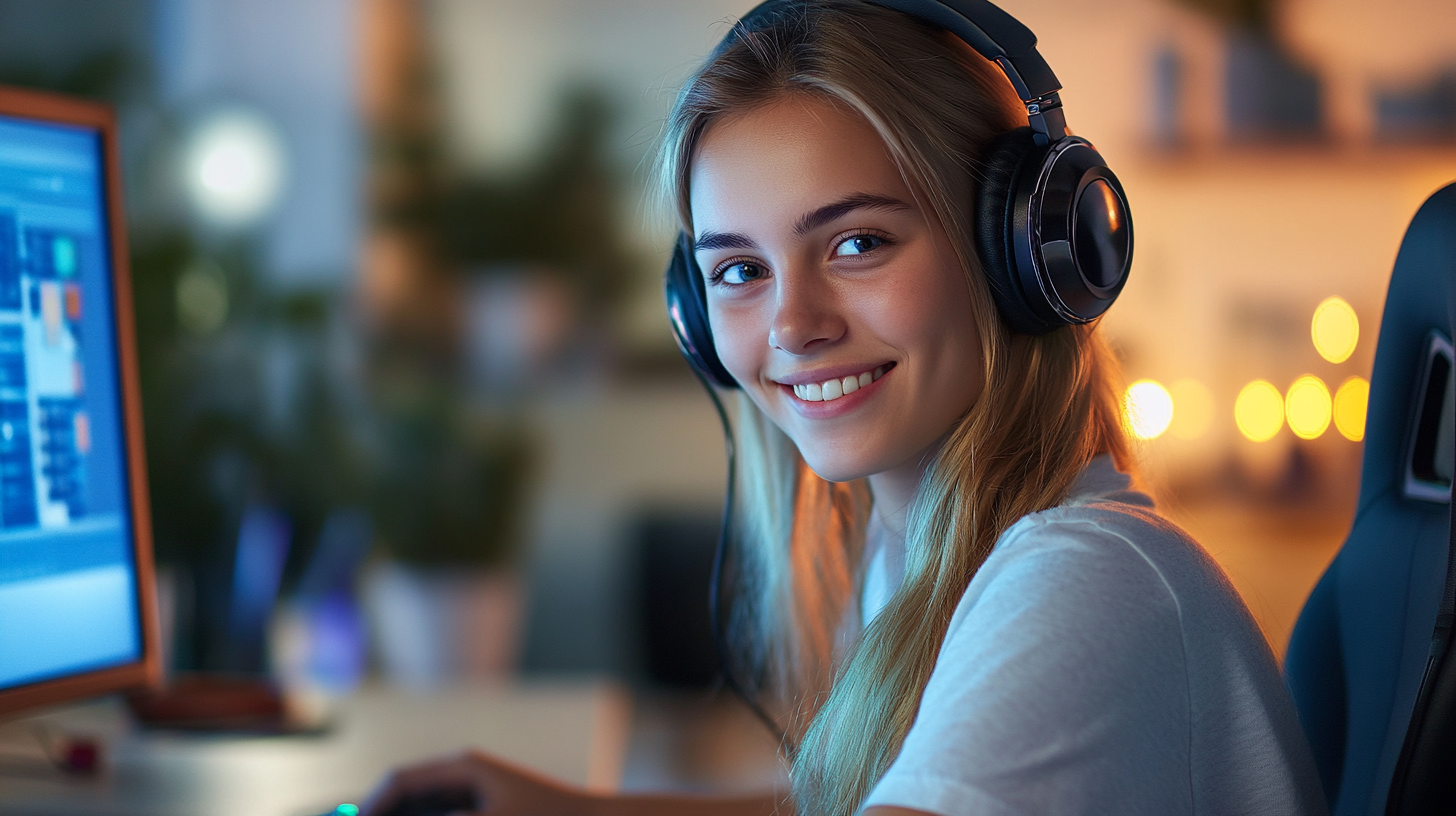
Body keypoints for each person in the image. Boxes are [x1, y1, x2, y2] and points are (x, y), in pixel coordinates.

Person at [362, 2, 1327, 814]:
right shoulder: (920, 553)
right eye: (738, 269)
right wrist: (566, 808)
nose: (793, 324)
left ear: (1024, 251)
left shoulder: (1084, 580)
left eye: (857, 243)